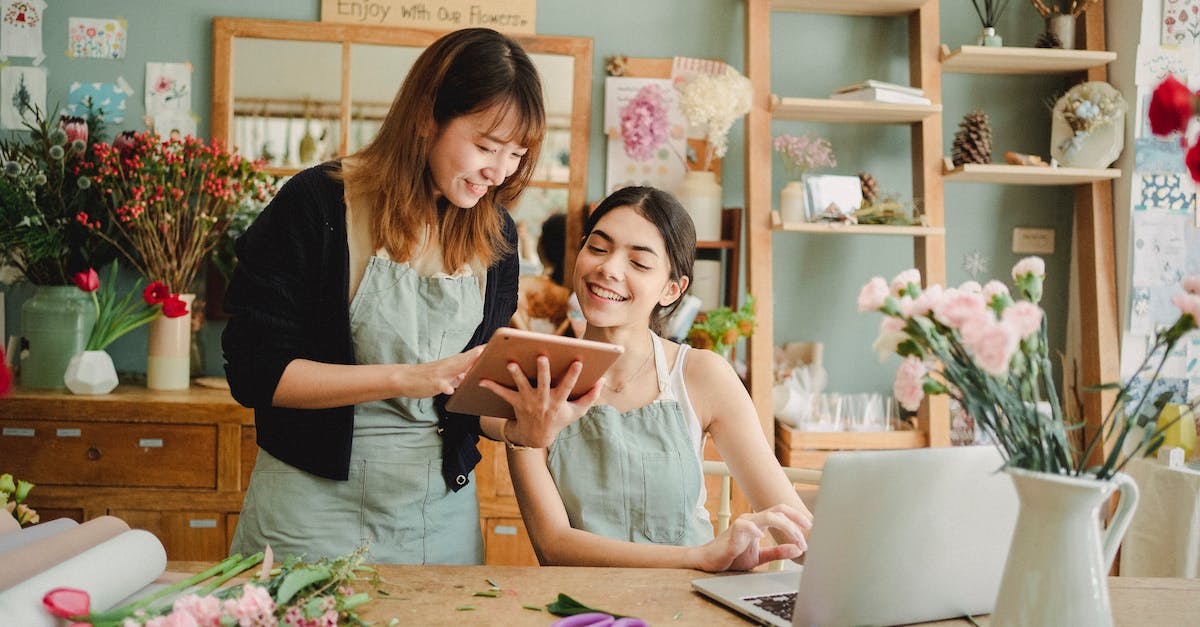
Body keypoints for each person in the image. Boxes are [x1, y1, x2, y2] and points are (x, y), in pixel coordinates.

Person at [222, 28, 596, 565]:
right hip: (307, 508)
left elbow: (475, 400)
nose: (500, 171)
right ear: (426, 118)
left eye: (516, 153)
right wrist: (409, 378)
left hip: (436, 512)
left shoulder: (497, 235)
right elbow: (255, 372)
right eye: (486, 146)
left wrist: (524, 419)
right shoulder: (316, 205)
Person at [484, 186, 813, 572]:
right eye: (599, 247)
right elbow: (553, 545)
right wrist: (701, 556)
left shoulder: (701, 375)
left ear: (672, 289)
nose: (609, 268)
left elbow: (796, 532)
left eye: (639, 263)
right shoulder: (533, 378)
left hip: (689, 604)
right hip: (579, 608)